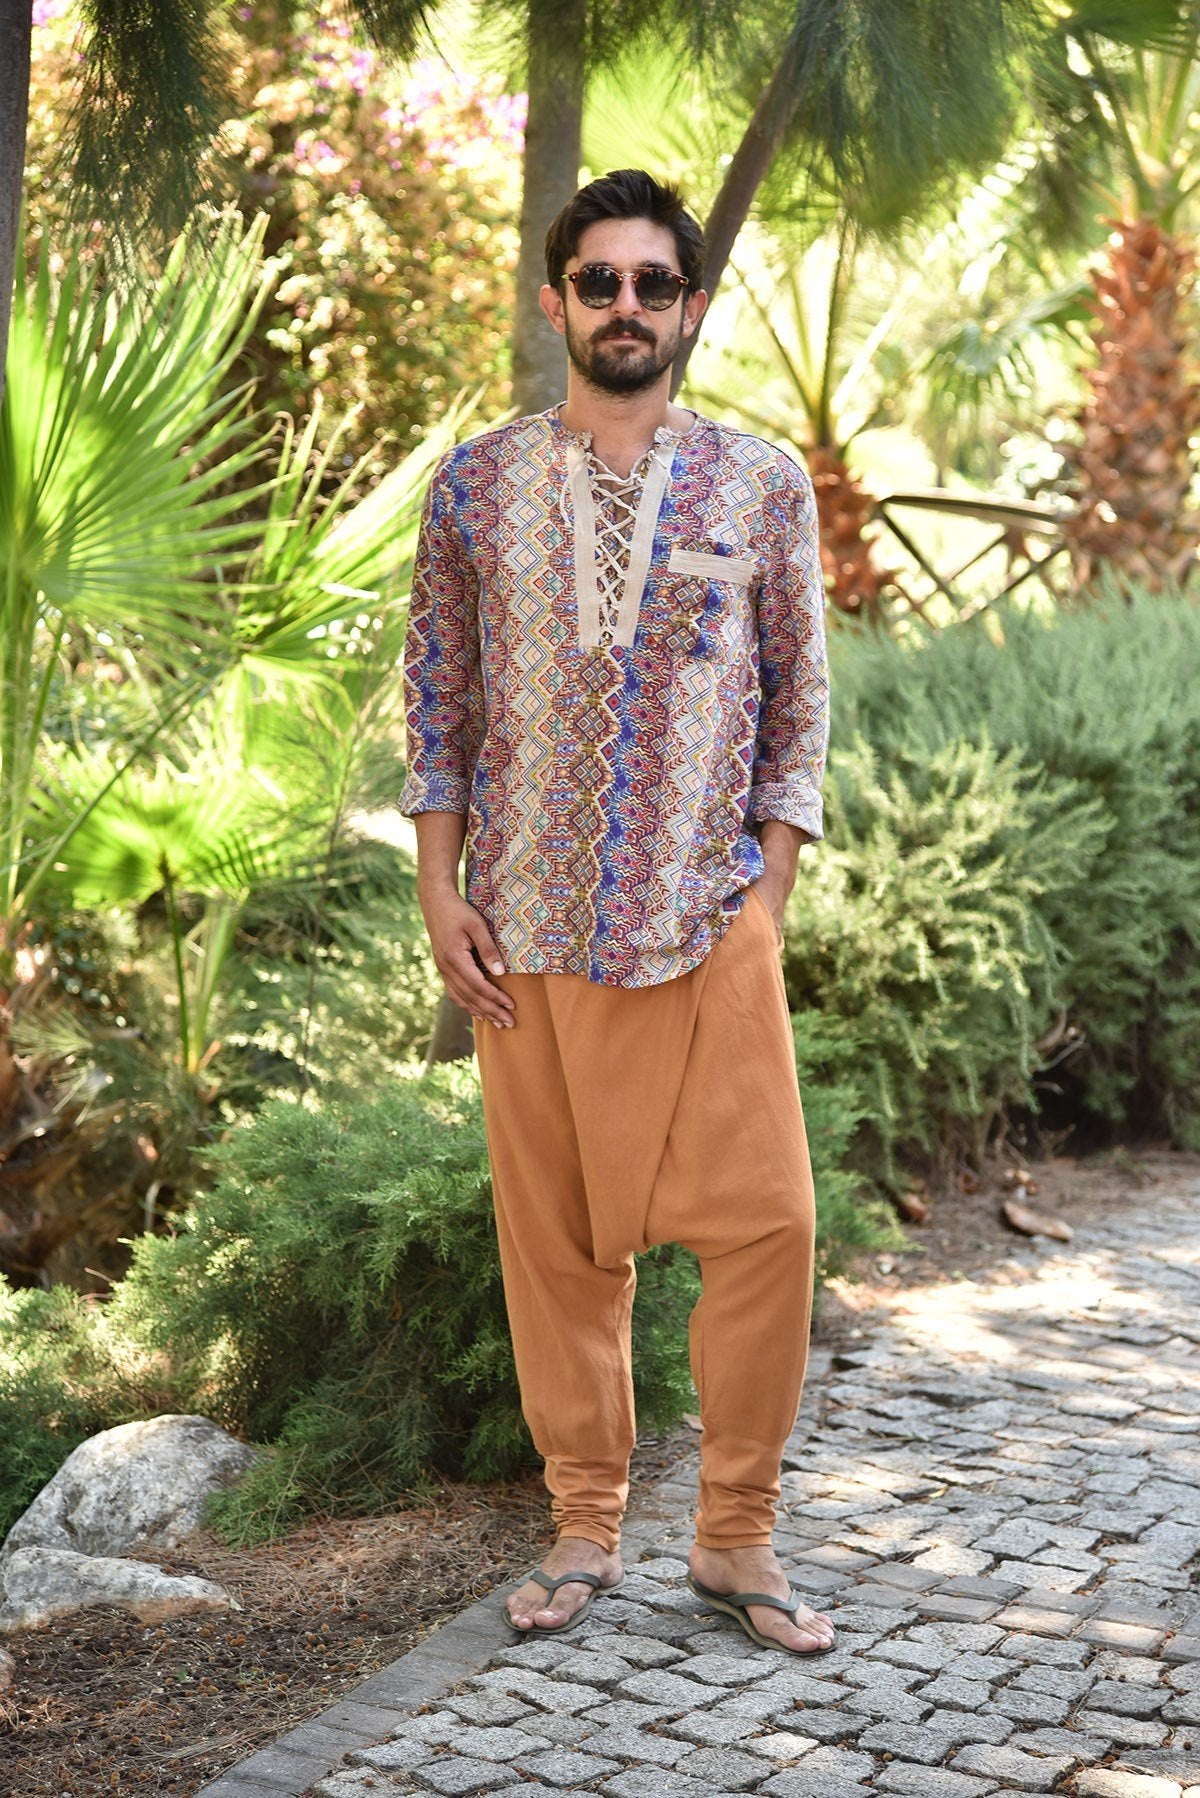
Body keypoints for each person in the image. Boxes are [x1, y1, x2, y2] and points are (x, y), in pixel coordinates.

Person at [399, 168, 833, 1654]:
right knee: (559, 1249)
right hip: (525, 923)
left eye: (655, 282)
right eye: (601, 281)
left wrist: (768, 891)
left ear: (690, 307)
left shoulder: (762, 482)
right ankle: (585, 1523)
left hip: (706, 920)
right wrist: (437, 887)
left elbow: (800, 701)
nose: (627, 305)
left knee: (771, 1225)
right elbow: (438, 702)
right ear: (558, 301)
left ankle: (736, 1531)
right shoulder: (476, 486)